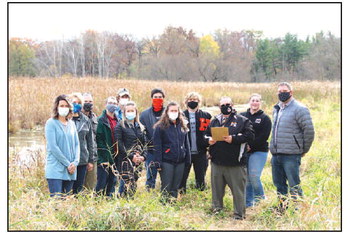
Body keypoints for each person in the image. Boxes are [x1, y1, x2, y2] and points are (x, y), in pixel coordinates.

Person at [205, 96, 254, 220]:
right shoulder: (215, 120)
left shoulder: (242, 120)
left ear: (232, 105)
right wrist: (209, 140)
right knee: (217, 190)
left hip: (235, 163)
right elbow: (205, 135)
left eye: (228, 104)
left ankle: (239, 215)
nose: (225, 107)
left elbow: (250, 136)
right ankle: (217, 210)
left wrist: (234, 139)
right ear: (219, 107)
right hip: (217, 162)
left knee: (238, 191)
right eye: (222, 105)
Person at [270, 82, 315, 211]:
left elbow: (309, 131)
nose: (281, 93)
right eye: (279, 91)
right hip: (276, 154)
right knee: (279, 184)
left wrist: (303, 149)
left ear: (291, 92)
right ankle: (282, 207)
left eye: (284, 91)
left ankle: (298, 210)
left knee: (294, 184)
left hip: (291, 154)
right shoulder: (277, 108)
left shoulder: (300, 109)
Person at [153, 101, 191, 202]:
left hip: (180, 161)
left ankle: (173, 204)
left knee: (175, 186)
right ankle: (164, 205)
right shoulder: (160, 127)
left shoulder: (182, 125)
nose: (174, 112)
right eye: (172, 110)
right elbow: (157, 146)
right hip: (167, 161)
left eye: (176, 110)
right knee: (166, 186)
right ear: (167, 112)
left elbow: (186, 143)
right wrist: (158, 162)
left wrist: (188, 158)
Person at [45, 94, 80, 197]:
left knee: (66, 204)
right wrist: (67, 164)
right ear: (57, 107)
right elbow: (53, 147)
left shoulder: (71, 124)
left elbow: (77, 144)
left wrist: (75, 163)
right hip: (56, 170)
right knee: (56, 203)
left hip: (71, 171)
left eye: (66, 106)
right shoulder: (51, 123)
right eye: (61, 105)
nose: (64, 108)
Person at [240, 93, 272, 208]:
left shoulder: (265, 118)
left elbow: (264, 136)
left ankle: (261, 199)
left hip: (259, 151)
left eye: (257, 101)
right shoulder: (242, 116)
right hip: (244, 151)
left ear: (260, 103)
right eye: (253, 100)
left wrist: (251, 145)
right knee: (247, 178)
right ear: (249, 102)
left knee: (254, 175)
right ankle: (248, 203)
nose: (255, 102)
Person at [179, 92, 211, 193]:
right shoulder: (181, 116)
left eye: (195, 100)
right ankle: (181, 196)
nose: (192, 102)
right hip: (185, 152)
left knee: (201, 178)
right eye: (190, 100)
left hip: (201, 152)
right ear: (186, 101)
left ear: (199, 102)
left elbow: (210, 133)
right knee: (182, 178)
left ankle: (200, 197)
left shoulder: (206, 116)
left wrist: (209, 149)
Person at [115, 101, 147, 197]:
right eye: (128, 111)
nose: (130, 113)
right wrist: (131, 156)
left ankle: (130, 202)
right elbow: (119, 144)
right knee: (125, 183)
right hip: (125, 160)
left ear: (136, 112)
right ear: (124, 113)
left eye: (132, 110)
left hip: (138, 161)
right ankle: (122, 201)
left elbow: (145, 144)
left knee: (133, 184)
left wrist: (143, 157)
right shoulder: (120, 126)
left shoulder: (140, 127)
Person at [140, 88, 166, 190]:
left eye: (160, 97)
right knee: (150, 176)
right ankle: (149, 195)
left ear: (163, 99)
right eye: (155, 97)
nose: (158, 99)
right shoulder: (145, 114)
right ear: (151, 98)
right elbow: (142, 133)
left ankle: (166, 195)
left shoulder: (168, 112)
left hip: (165, 150)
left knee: (166, 176)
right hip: (151, 150)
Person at [70, 93, 94, 194]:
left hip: (82, 159)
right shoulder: (65, 119)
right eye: (74, 102)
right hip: (69, 160)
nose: (76, 105)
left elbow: (90, 142)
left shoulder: (86, 120)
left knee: (78, 189)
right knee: (67, 189)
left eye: (79, 103)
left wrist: (90, 160)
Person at [95, 96, 119, 197]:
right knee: (102, 182)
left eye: (114, 103)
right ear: (106, 105)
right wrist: (106, 154)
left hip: (115, 156)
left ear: (117, 105)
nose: (112, 105)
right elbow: (99, 139)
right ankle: (98, 202)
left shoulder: (118, 121)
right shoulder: (101, 120)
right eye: (110, 102)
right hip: (104, 157)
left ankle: (109, 200)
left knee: (112, 182)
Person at [82, 92, 98, 190]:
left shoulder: (95, 118)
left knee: (90, 187)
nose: (88, 103)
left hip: (93, 157)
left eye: (90, 101)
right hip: (81, 157)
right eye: (86, 101)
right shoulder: (76, 117)